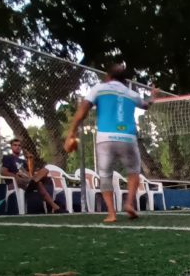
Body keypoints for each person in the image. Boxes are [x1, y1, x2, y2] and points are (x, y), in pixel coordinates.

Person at [64, 63, 158, 222]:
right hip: (128, 138)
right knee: (134, 172)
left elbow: (83, 109)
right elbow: (146, 104)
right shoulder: (131, 93)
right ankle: (129, 204)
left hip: (105, 138)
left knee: (105, 175)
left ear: (108, 77)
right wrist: (153, 95)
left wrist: (71, 132)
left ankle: (111, 214)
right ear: (125, 80)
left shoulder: (99, 88)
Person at [0, 139, 60, 213]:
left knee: (45, 170)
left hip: (27, 181)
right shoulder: (7, 158)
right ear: (11, 147)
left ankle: (33, 181)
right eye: (15, 145)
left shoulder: (23, 161)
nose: (17, 147)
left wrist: (30, 160)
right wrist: (15, 176)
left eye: (19, 145)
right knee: (39, 183)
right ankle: (55, 207)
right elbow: (3, 172)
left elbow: (30, 173)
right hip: (15, 183)